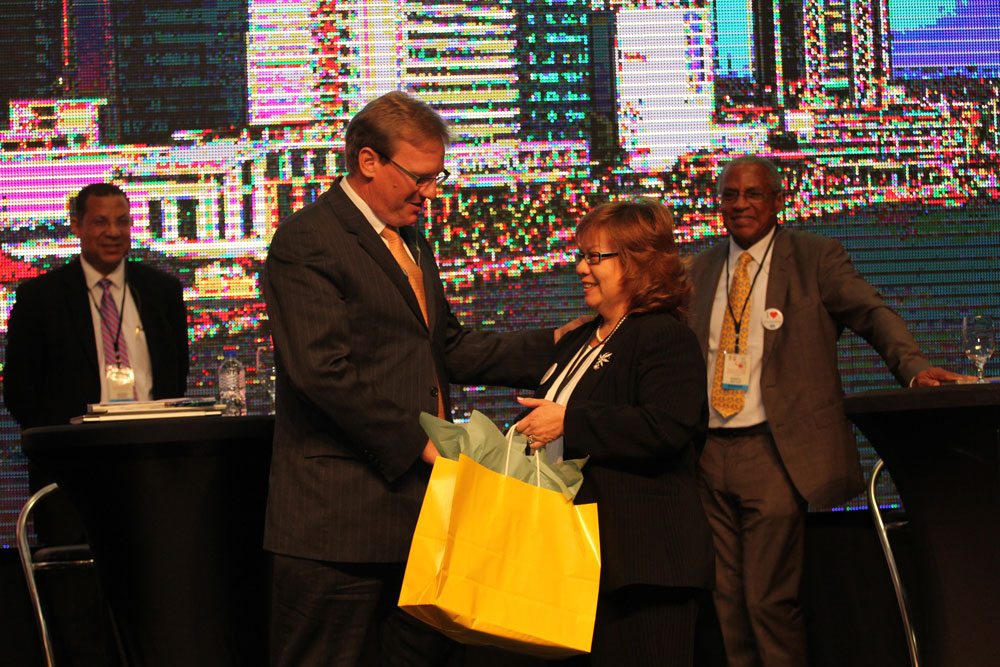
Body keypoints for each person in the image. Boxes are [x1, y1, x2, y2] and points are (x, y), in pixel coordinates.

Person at [262, 90, 579, 666]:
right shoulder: (308, 239)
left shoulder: (408, 239)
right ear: (368, 161)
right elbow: (322, 373)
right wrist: (423, 445)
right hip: (338, 523)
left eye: (438, 177)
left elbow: (446, 347)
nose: (431, 192)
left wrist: (556, 346)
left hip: (420, 520)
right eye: (420, 177)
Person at [687, 155, 963, 667]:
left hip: (772, 450)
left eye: (753, 194)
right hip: (708, 454)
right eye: (730, 195)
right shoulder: (699, 269)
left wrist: (913, 367)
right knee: (726, 601)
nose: (740, 204)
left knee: (767, 600)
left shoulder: (815, 257)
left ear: (778, 200)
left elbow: (871, 312)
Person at [515, 198, 718, 666]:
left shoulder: (661, 335)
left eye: (594, 257)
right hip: (579, 564)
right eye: (581, 256)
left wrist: (569, 422)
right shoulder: (578, 339)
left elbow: (666, 426)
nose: (581, 269)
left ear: (637, 262)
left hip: (643, 565)